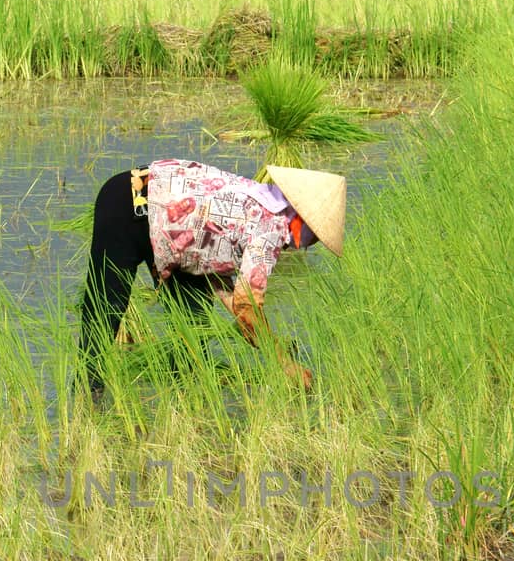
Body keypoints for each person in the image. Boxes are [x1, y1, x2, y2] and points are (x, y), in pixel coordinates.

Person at [75, 159, 345, 395]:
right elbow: (247, 307)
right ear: (302, 222)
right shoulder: (269, 229)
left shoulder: (259, 197)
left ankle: (183, 409)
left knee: (193, 331)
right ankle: (88, 399)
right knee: (103, 313)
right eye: (313, 238)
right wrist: (284, 363)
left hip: (164, 220)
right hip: (129, 204)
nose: (306, 245)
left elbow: (227, 287)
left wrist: (268, 344)